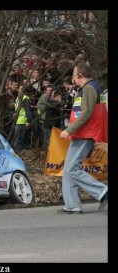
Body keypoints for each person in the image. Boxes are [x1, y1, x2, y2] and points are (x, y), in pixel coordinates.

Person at [59, 63, 108, 214]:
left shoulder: (89, 88)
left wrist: (69, 130)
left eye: (74, 75)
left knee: (72, 168)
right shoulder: (87, 88)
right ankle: (72, 205)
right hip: (82, 133)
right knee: (68, 169)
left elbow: (86, 114)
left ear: (80, 75)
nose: (72, 78)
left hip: (86, 133)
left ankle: (103, 192)